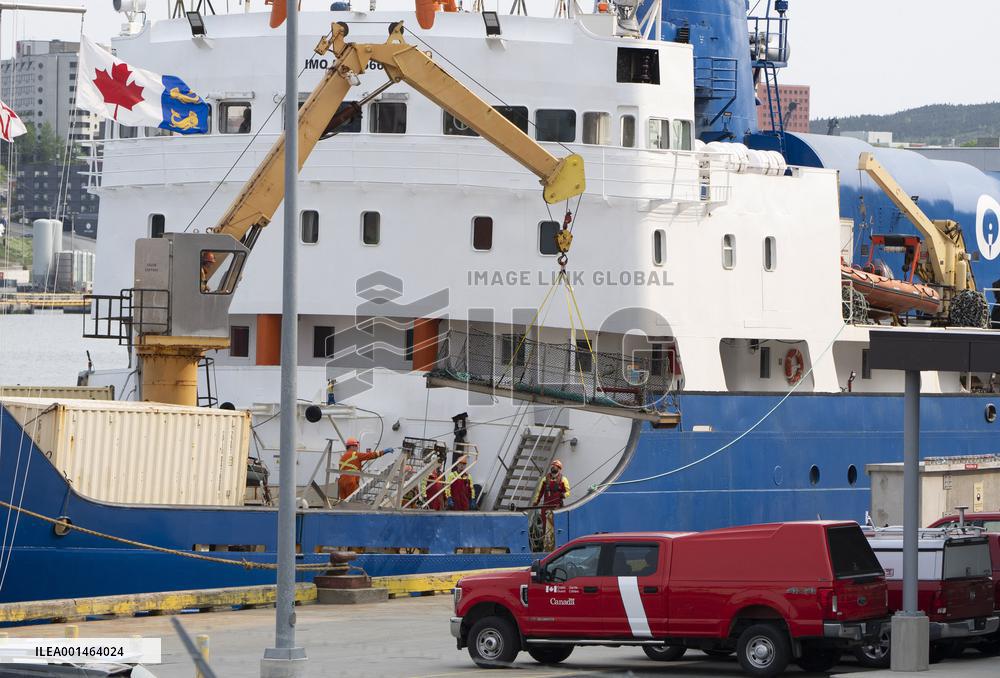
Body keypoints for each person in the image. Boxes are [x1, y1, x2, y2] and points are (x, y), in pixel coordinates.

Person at [532, 459, 571, 551]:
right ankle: (547, 547)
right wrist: (535, 502)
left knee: (557, 528)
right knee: (546, 528)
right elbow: (539, 492)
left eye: (555, 466)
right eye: (552, 465)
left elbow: (568, 492)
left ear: (559, 468)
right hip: (546, 507)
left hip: (557, 508)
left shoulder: (563, 480)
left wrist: (562, 495)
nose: (553, 467)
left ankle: (558, 547)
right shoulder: (545, 479)